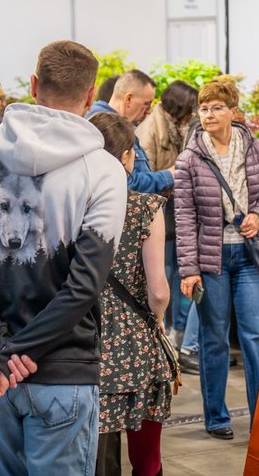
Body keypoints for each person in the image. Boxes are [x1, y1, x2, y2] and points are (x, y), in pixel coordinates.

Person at [0, 40, 128, 475]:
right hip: (61, 370)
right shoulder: (104, 170)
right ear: (91, 90)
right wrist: (11, 353)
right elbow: (83, 287)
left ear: (35, 83)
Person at [175, 80, 259, 440]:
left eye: (217, 107)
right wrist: (188, 270)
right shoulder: (189, 158)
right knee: (213, 338)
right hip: (210, 258)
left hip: (251, 255)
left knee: (257, 336)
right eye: (204, 108)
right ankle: (216, 416)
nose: (209, 114)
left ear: (233, 111)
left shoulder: (255, 148)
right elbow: (184, 216)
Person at [90, 112, 172, 476]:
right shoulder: (145, 207)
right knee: (146, 452)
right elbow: (158, 290)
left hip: (86, 337)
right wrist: (158, 321)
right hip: (135, 341)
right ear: (126, 158)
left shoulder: (74, 204)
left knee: (97, 450)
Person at [136, 80, 201, 370]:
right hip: (160, 210)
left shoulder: (178, 127)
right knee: (166, 275)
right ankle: (167, 342)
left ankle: (178, 341)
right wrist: (171, 176)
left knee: (178, 277)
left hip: (175, 208)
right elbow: (141, 179)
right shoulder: (151, 128)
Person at [87, 70, 175, 194]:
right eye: (146, 104)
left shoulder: (116, 125)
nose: (149, 111)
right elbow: (127, 182)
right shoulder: (107, 127)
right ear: (128, 99)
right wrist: (169, 176)